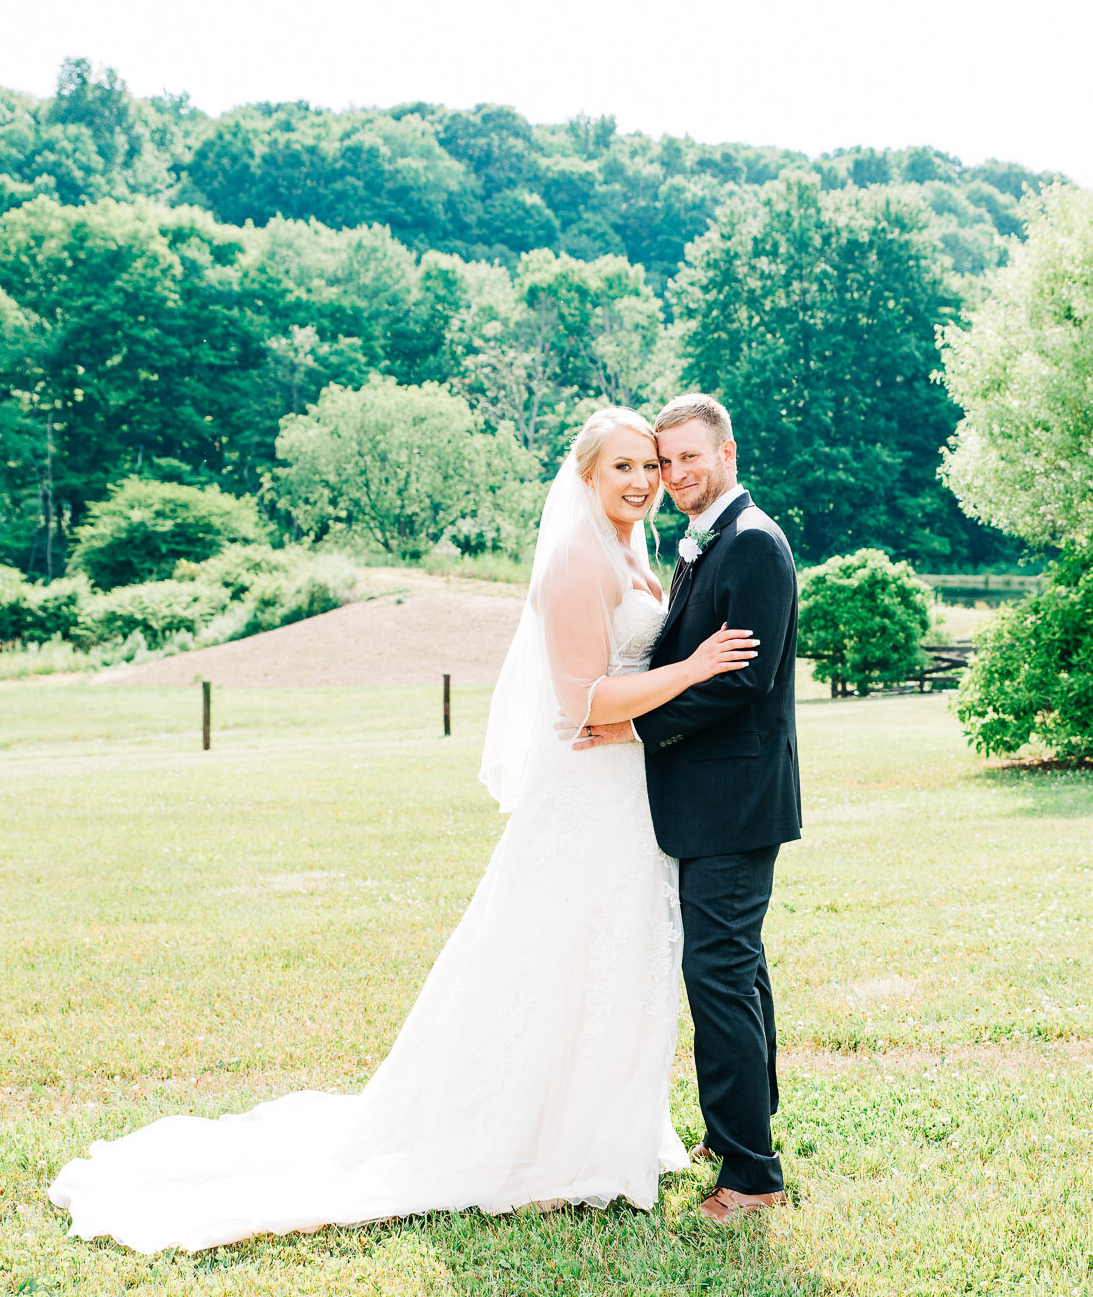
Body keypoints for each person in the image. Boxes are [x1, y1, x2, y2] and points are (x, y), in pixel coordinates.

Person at [47, 407, 758, 1254]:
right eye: (624, 469)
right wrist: (689, 669)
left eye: (651, 465)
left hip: (626, 799)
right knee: (553, 957)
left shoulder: (632, 548)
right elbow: (580, 702)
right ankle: (537, 1144)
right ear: (585, 476)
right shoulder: (574, 556)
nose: (643, 481)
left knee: (611, 958)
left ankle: (600, 1134)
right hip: (585, 797)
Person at [573, 392, 801, 1222]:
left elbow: (745, 680)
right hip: (711, 801)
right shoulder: (705, 544)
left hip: (736, 799)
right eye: (665, 461)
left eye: (689, 457)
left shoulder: (754, 545)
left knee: (717, 973)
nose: (674, 474)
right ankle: (742, 1128)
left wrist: (634, 725)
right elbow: (686, 656)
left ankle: (751, 1175)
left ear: (727, 451)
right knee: (739, 968)